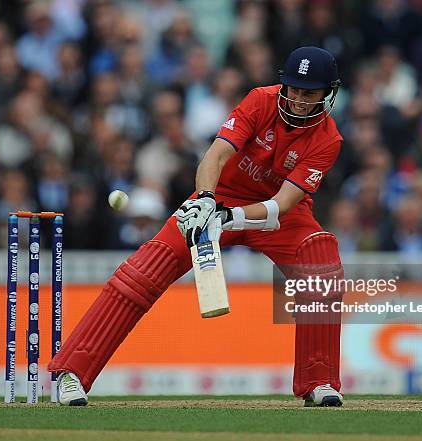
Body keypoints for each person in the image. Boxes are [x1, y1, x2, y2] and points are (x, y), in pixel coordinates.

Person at [49, 46, 345, 407]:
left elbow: (282, 204)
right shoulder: (260, 100)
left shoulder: (328, 138)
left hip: (277, 214)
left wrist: (231, 218)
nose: (298, 99)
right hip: (219, 195)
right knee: (144, 271)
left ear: (327, 93)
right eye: (294, 89)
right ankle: (72, 374)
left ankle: (320, 381)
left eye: (309, 93)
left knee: (320, 256)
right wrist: (205, 200)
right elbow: (216, 155)